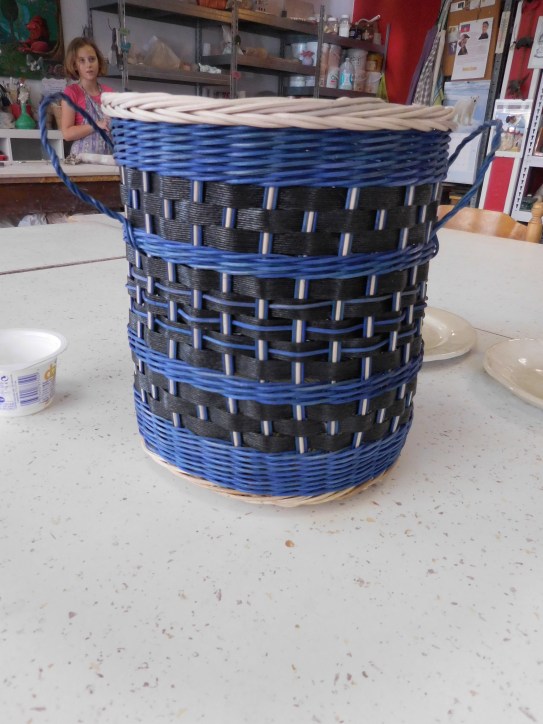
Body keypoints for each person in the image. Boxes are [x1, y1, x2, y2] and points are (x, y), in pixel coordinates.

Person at [61, 37, 113, 156]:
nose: (88, 65)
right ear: (74, 65)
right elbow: (67, 133)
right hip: (82, 162)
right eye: (82, 61)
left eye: (92, 59)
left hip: (108, 160)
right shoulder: (71, 92)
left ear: (98, 61)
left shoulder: (109, 93)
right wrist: (96, 125)